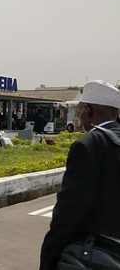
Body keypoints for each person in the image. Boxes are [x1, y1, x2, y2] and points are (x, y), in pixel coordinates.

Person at [40, 80, 120, 270]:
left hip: (95, 254)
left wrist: (49, 257)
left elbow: (69, 211)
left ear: (89, 110)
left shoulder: (88, 145)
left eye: (80, 110)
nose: (78, 115)